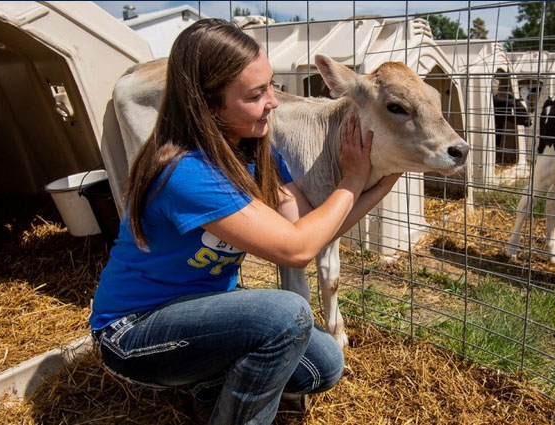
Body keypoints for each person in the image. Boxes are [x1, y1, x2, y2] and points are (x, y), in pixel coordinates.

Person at [89, 19, 401, 425]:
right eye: (256, 95)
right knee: (287, 316)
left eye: (270, 85)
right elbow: (296, 249)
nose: (273, 101)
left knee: (324, 365)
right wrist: (353, 179)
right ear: (207, 102)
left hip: (202, 315)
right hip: (135, 333)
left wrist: (376, 184)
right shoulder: (185, 171)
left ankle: (208, 386)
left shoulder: (258, 154)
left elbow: (309, 228)